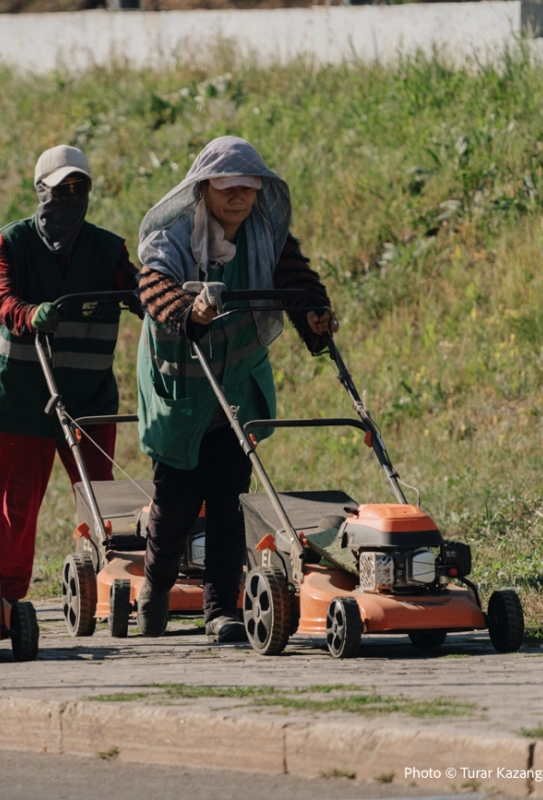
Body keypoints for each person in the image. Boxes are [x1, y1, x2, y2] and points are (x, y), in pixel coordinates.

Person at [135, 136, 337, 642]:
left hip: (236, 387)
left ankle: (220, 609)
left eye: (248, 189)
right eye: (228, 189)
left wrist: (313, 312)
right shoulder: (173, 236)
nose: (238, 199)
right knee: (177, 502)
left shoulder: (265, 236)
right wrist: (189, 311)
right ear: (204, 189)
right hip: (179, 387)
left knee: (228, 497)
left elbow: (295, 280)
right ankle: (156, 589)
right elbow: (153, 287)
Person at [0, 145, 139, 602]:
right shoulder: (10, 242)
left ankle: (101, 588)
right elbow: (5, 300)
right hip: (22, 399)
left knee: (98, 501)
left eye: (79, 188)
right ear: (40, 192)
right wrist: (32, 315)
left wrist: (159, 301)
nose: (70, 197)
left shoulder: (108, 249)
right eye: (60, 189)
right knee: (11, 507)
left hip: (88, 397)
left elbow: (135, 289)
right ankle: (4, 598)